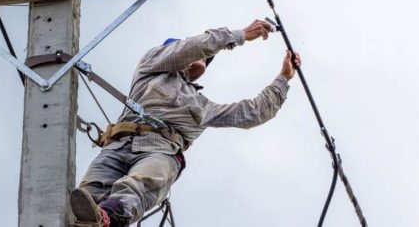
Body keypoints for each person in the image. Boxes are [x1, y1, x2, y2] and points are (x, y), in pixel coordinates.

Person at [70, 19, 302, 227]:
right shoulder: (151, 67)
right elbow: (192, 48)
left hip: (160, 151)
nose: (203, 58)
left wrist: (284, 78)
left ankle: (108, 218)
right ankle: (87, 220)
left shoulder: (202, 107)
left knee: (138, 186)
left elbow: (253, 113)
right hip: (116, 146)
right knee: (84, 198)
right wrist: (240, 35)